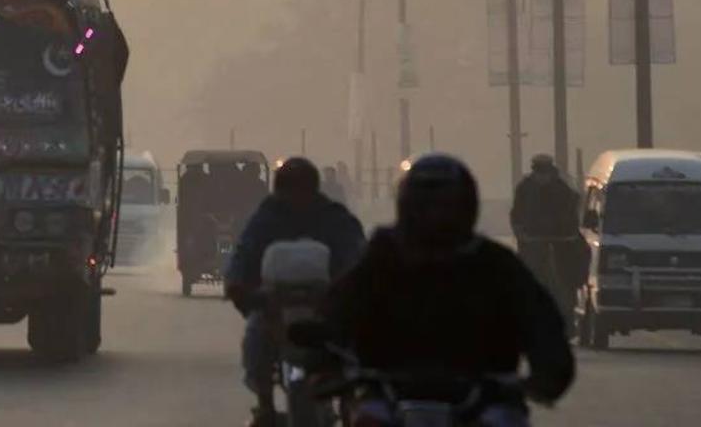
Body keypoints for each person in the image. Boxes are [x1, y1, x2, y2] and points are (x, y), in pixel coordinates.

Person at [326, 154, 574, 426]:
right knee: (367, 416)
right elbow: (336, 308)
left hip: (482, 399)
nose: (435, 217)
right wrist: (321, 356)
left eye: (446, 207)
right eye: (426, 207)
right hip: (389, 395)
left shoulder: (493, 262)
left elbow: (541, 319)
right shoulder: (381, 258)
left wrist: (551, 370)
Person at [226, 157, 367, 426]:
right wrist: (236, 284)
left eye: (301, 187)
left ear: (314, 189)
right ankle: (265, 405)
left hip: (327, 308)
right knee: (255, 342)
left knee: (356, 351)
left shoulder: (335, 217)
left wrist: (354, 288)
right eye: (289, 187)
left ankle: (351, 406)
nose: (295, 194)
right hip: (275, 310)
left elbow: (357, 255)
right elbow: (244, 252)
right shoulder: (267, 217)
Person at [510, 154, 582, 307]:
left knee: (571, 270)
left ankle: (571, 303)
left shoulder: (563, 189)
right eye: (538, 171)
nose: (542, 176)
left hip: (561, 241)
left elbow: (572, 213)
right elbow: (516, 214)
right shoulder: (524, 188)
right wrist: (521, 234)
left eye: (545, 171)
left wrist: (571, 235)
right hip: (532, 241)